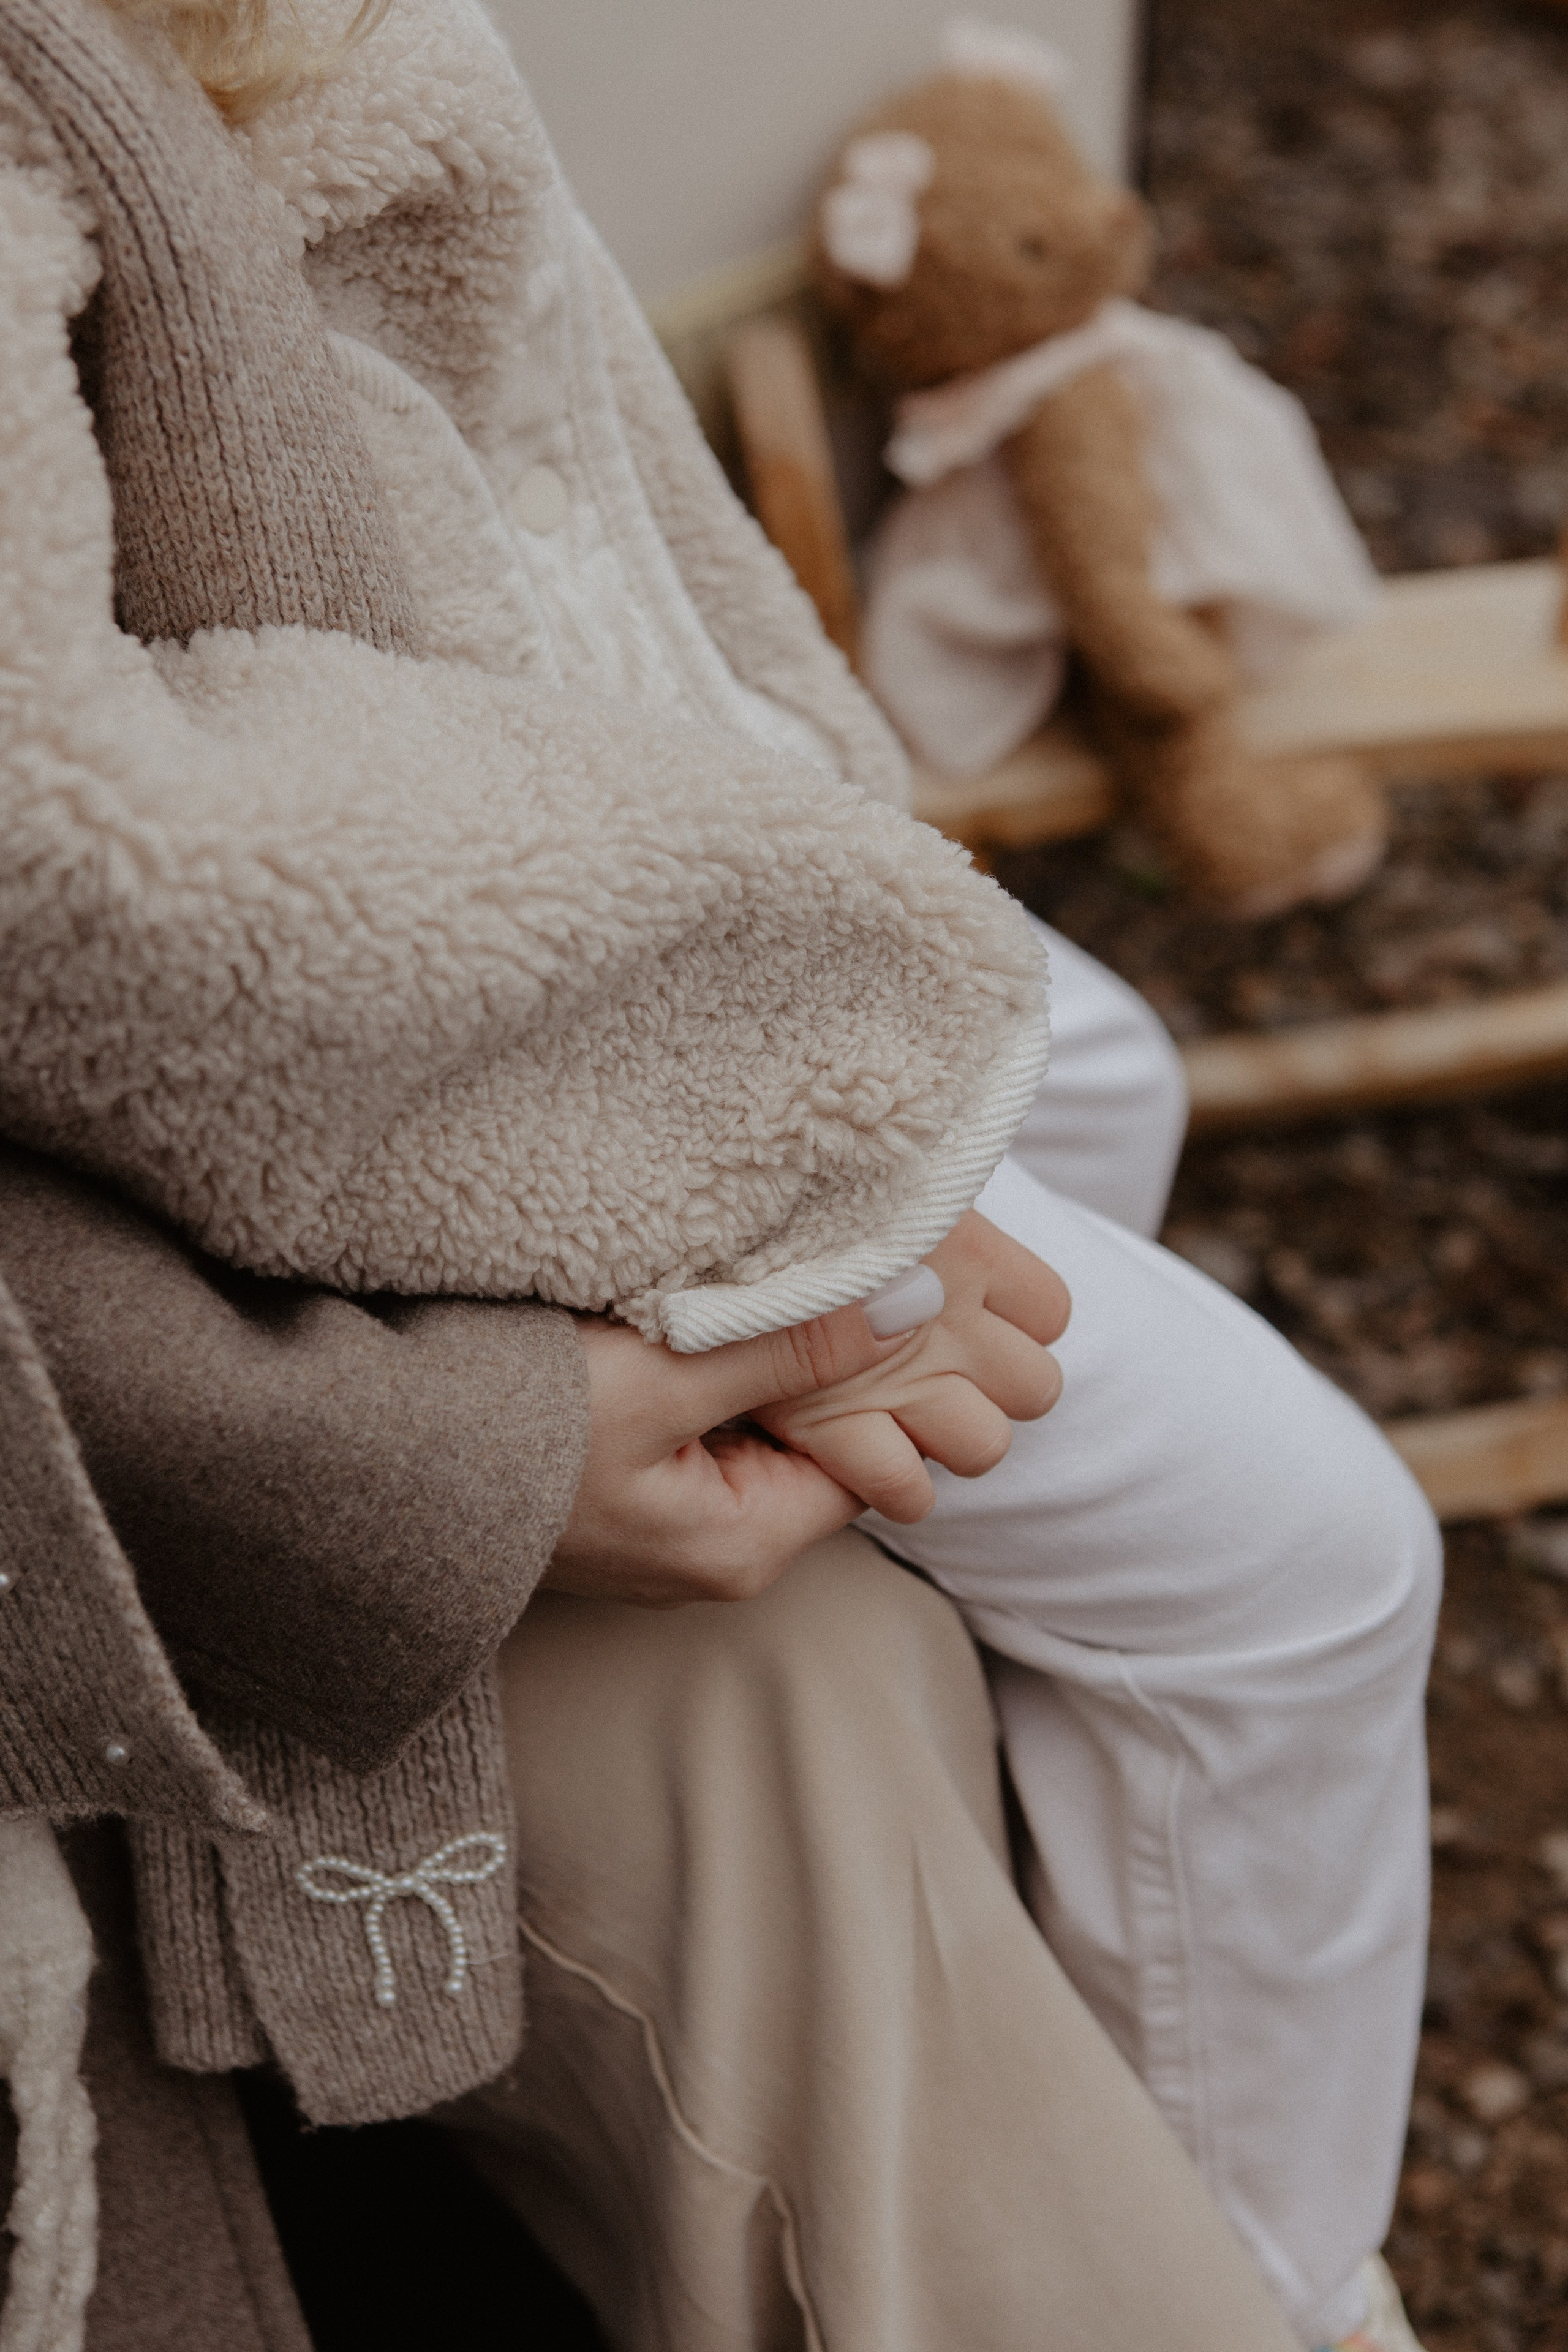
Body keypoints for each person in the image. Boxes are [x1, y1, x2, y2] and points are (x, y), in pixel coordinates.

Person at [0, 0, 1435, 2346]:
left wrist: (852, 862)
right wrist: (767, 1116)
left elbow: (613, 538)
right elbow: (103, 869)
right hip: (566, 1105)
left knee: (1112, 1073)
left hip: (644, 986)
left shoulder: (266, 58)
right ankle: (1287, 2285)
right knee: (1305, 1566)